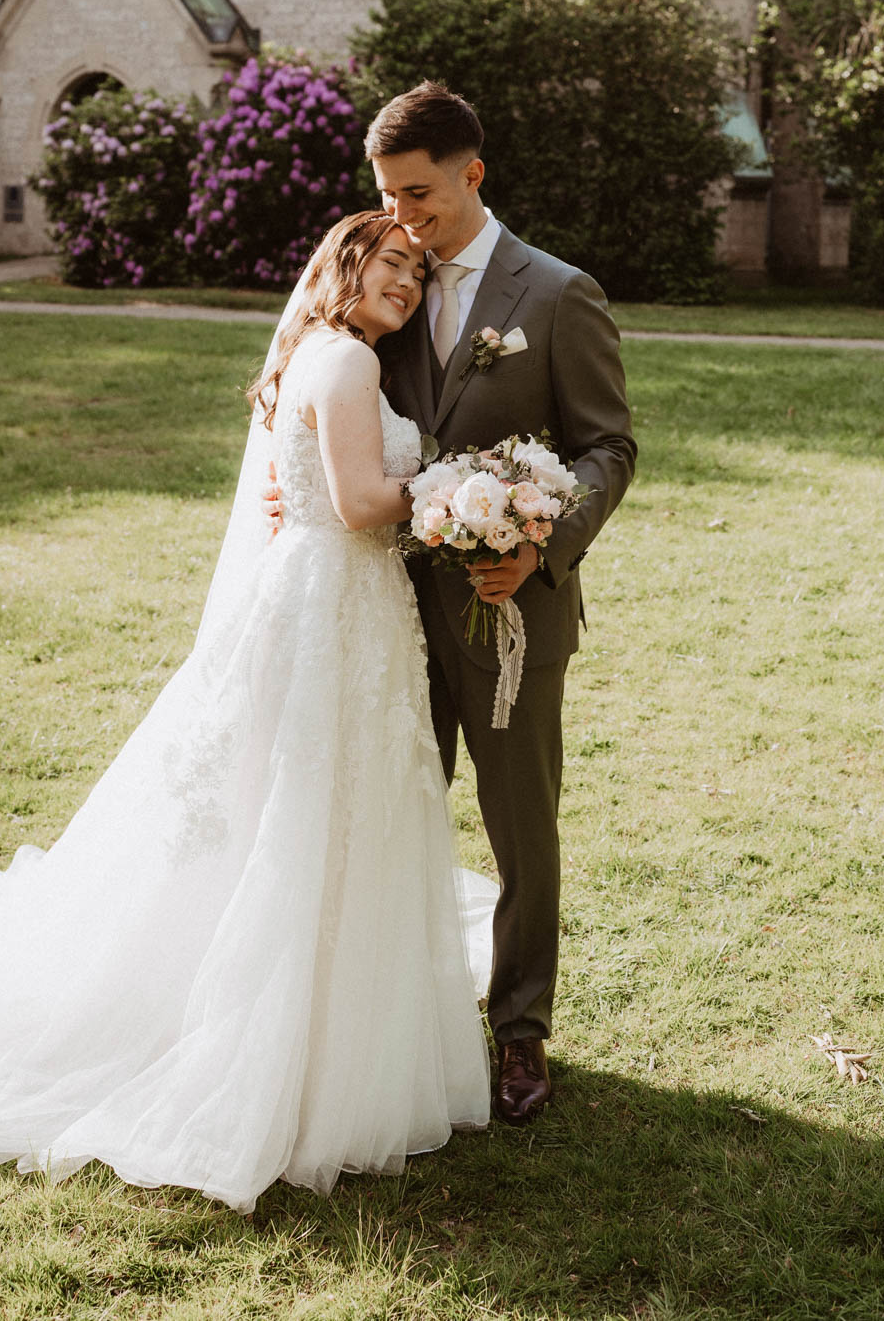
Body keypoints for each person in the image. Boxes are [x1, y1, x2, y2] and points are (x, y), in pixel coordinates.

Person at [0, 211, 491, 1211]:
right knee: (318, 810)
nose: (406, 281)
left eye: (417, 267)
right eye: (389, 262)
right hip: (336, 597)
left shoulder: (315, 352)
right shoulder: (350, 365)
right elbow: (361, 503)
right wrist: (457, 489)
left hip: (328, 600)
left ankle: (302, 1020)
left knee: (298, 808)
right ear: (345, 266)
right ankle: (296, 1042)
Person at [270, 84, 637, 1125]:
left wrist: (540, 542)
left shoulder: (558, 295)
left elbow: (608, 446)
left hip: (508, 612)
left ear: (474, 174)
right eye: (387, 194)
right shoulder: (385, 285)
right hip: (382, 615)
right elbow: (323, 392)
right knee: (388, 815)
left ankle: (519, 1033)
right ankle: (395, 1021)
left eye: (420, 193)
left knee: (521, 829)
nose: (404, 215)